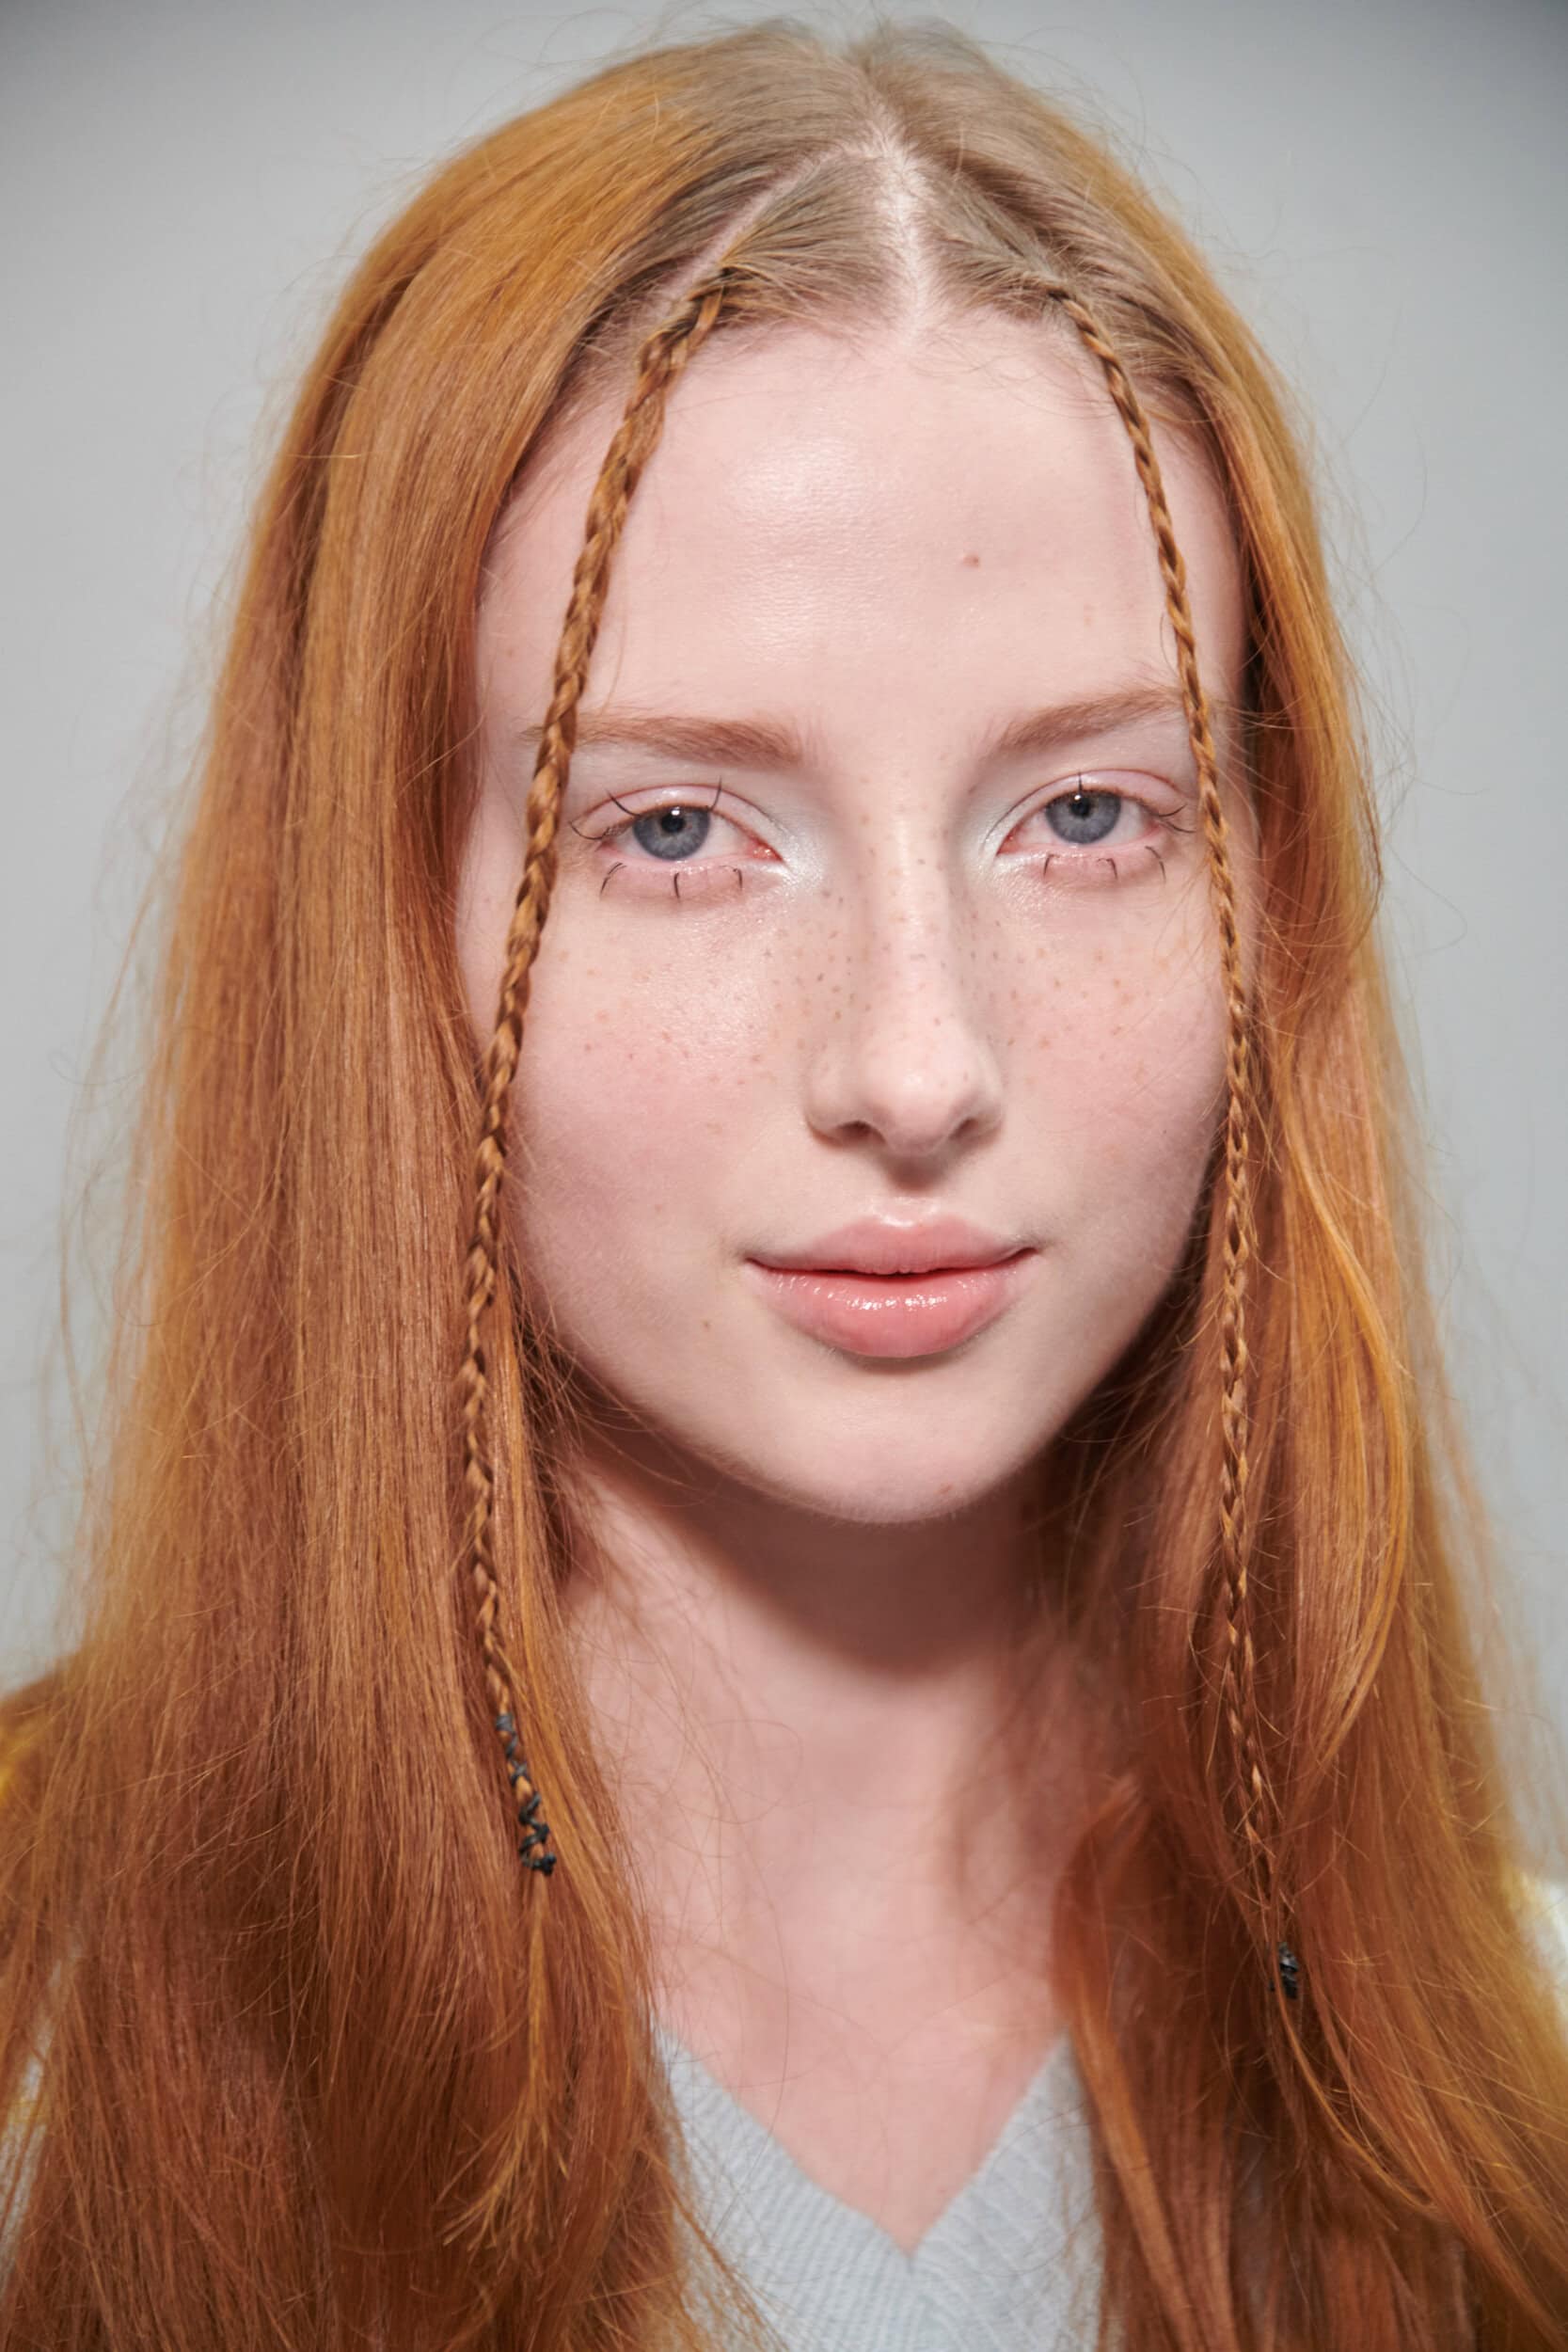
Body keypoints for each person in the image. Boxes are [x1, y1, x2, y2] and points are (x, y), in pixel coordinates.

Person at [1, 16, 1565, 2349]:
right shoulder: (44, 2063)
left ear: (1271, 885)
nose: (918, 1065)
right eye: (675, 830)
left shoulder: (1518, 2084)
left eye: (1087, 815)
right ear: (381, 920)